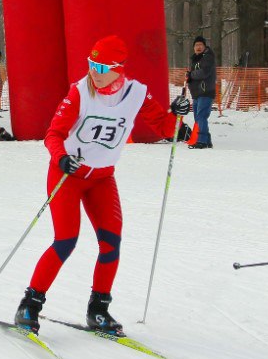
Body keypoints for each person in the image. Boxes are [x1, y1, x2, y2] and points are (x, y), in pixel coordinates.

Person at [14, 35, 192, 335]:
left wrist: (178, 117)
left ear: (119, 68)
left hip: (102, 178)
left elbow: (165, 127)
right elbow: (53, 134)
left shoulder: (136, 93)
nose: (94, 72)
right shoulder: (80, 92)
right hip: (67, 176)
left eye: (101, 66)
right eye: (91, 64)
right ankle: (29, 305)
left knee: (111, 243)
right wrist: (61, 159)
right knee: (66, 240)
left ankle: (98, 310)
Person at [186, 36, 216, 148]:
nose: (198, 47)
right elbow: (194, 76)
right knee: (198, 117)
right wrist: (189, 78)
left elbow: (205, 72)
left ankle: (202, 141)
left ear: (204, 46)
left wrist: (191, 75)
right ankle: (207, 141)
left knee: (201, 116)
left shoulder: (207, 57)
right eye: (196, 45)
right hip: (197, 93)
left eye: (200, 45)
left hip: (206, 92)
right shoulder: (195, 59)